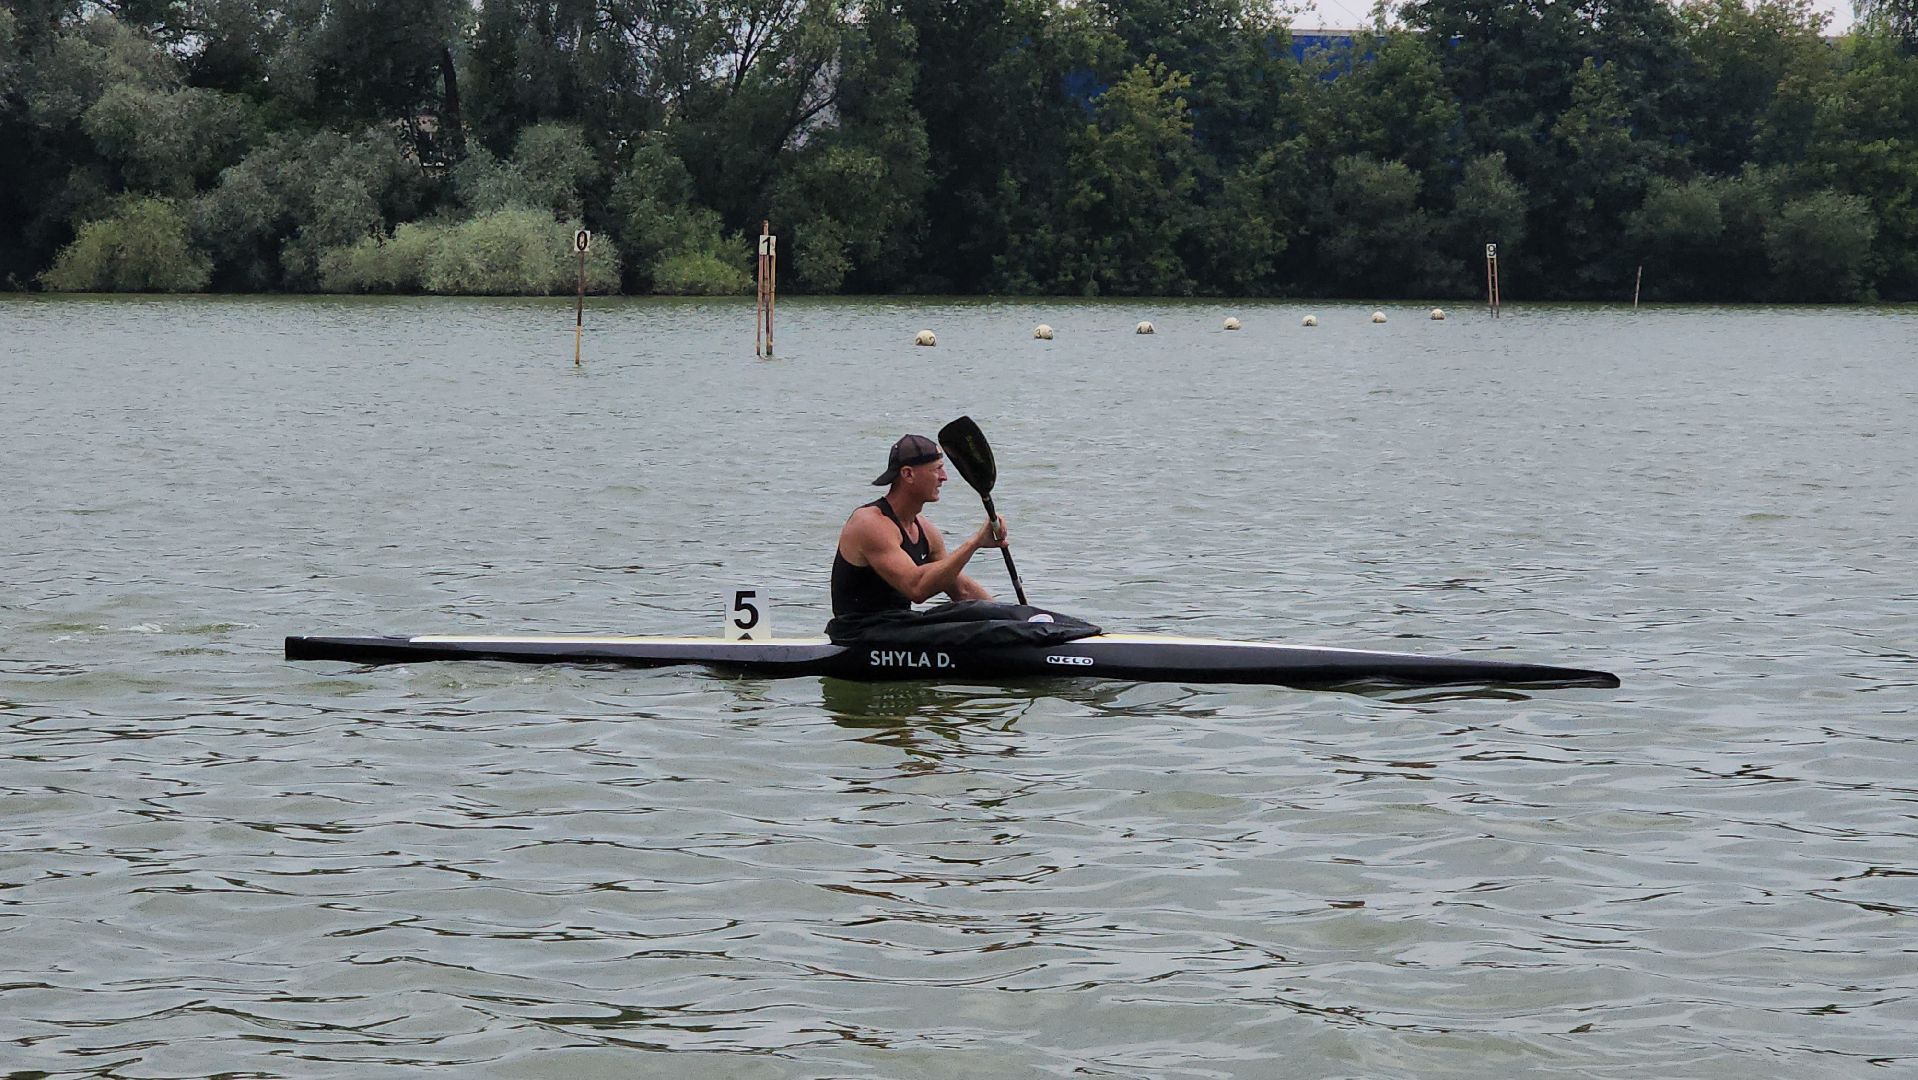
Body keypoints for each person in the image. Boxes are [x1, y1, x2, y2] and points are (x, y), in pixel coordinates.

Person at [831, 433, 1009, 617]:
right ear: (908, 474)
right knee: (951, 616)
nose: (944, 477)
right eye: (937, 469)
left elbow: (962, 591)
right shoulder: (870, 523)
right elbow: (916, 588)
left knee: (970, 612)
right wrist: (975, 543)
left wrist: (1014, 617)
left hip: (899, 626)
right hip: (857, 632)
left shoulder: (926, 530)